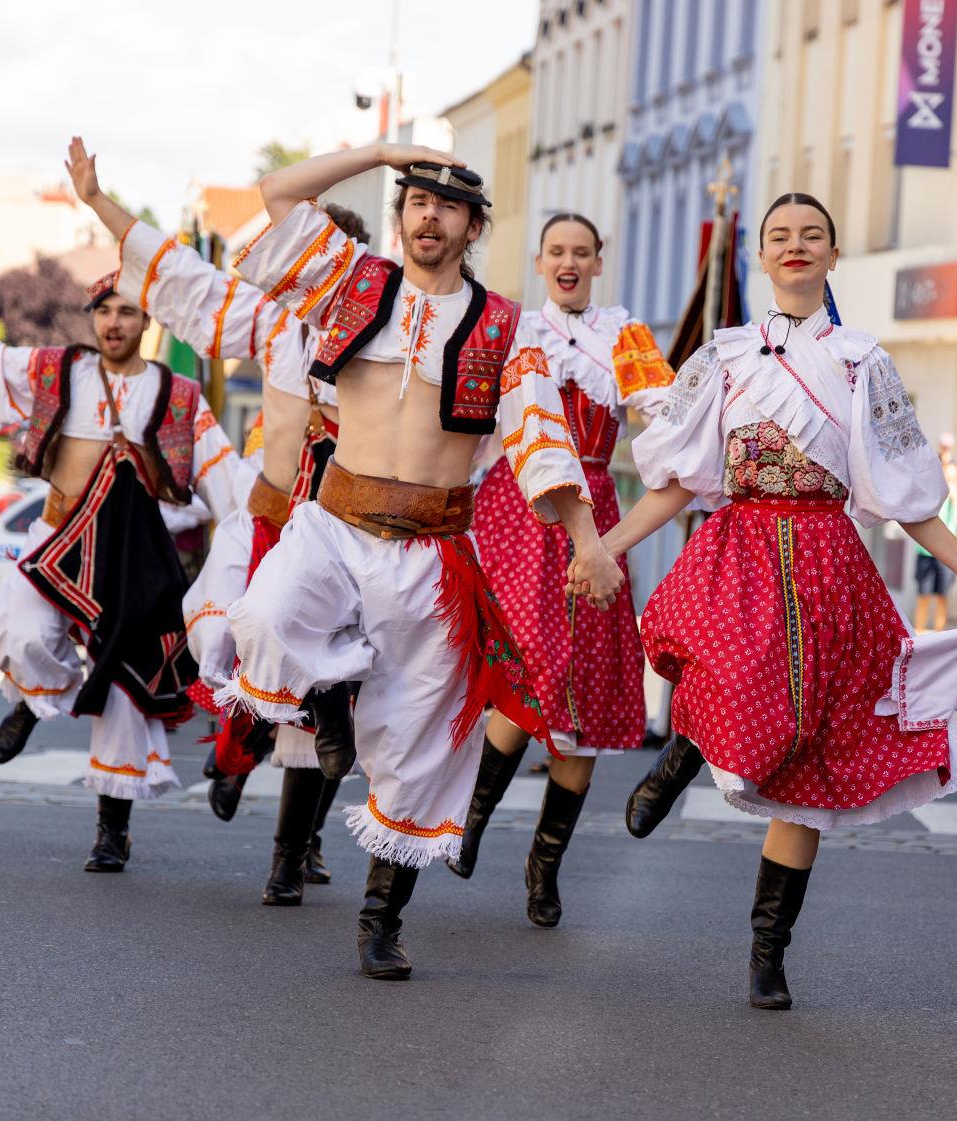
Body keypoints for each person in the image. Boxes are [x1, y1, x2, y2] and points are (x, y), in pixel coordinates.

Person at [218, 143, 622, 980]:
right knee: (261, 617)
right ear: (400, 215)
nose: (428, 215)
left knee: (421, 747)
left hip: (433, 554)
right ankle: (326, 699)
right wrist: (382, 153)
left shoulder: (505, 326)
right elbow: (277, 193)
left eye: (447, 206)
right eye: (415, 201)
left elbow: (545, 443)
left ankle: (381, 920)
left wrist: (589, 542)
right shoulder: (351, 281)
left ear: (473, 227)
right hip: (334, 523)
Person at [601, 192, 957, 1010]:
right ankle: (683, 753)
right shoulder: (725, 355)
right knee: (733, 668)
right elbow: (676, 480)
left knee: (812, 755)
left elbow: (902, 488)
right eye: (780, 235)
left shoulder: (860, 360)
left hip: (826, 559)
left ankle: (767, 952)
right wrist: (609, 545)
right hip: (741, 545)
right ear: (761, 255)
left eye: (812, 235)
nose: (795, 245)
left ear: (833, 255)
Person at [69, 142, 368, 907]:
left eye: (330, 257)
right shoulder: (273, 321)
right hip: (268, 509)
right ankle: (245, 737)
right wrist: (98, 201)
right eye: (304, 255)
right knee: (216, 630)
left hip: (345, 522)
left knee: (326, 687)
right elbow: (179, 275)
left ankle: (289, 855)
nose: (313, 270)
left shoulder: (386, 333)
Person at [0, 223, 241, 873]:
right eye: (104, 310)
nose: (113, 322)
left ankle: (111, 831)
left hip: (133, 564)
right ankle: (31, 699)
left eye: (127, 311)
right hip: (58, 543)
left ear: (146, 321)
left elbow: (228, 487)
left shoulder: (179, 397)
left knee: (126, 692)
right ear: (93, 317)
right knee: (24, 630)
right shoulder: (59, 371)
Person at [446, 210, 671, 927]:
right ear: (540, 262)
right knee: (536, 666)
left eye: (581, 252)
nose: (568, 262)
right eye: (556, 252)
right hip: (523, 512)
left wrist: (692, 447)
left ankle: (544, 865)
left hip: (597, 513)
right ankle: (471, 818)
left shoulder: (625, 336)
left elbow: (665, 412)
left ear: (599, 262)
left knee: (589, 695)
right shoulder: (517, 331)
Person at [912, 460, 957, 633]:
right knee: (924, 595)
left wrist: (955, 500)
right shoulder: (930, 495)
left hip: (946, 555)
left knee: (942, 597)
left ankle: (939, 634)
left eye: (951, 478)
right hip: (926, 553)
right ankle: (918, 631)